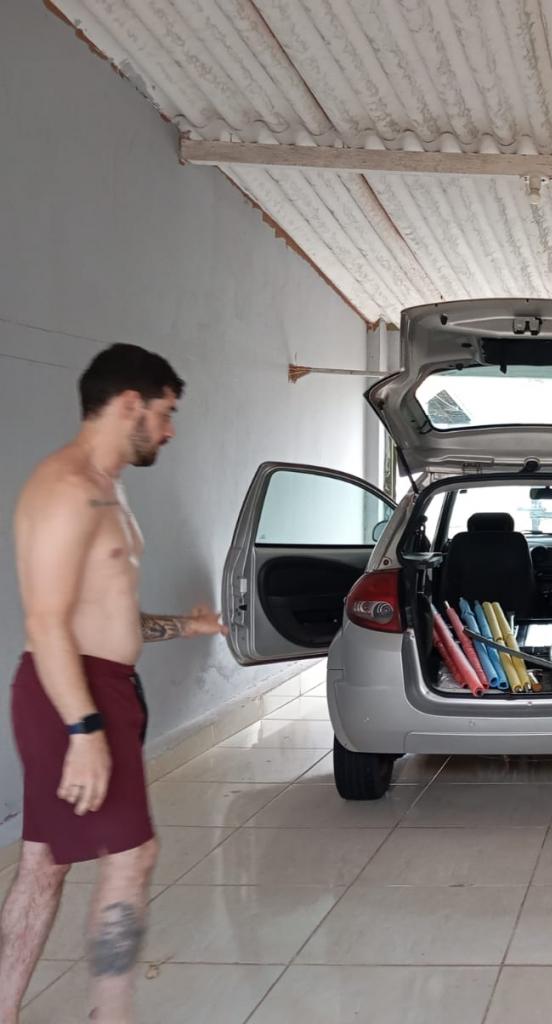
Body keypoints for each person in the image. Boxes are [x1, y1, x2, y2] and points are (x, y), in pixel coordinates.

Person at [0, 344, 227, 1023]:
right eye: (166, 412)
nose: (170, 430)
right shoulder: (66, 488)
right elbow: (46, 623)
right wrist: (84, 729)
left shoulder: (108, 488)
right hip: (70, 696)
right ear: (130, 404)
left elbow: (106, 616)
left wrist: (184, 628)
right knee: (132, 856)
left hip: (99, 690)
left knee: (45, 863)